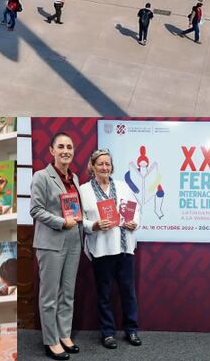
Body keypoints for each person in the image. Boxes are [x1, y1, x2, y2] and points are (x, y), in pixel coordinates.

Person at [78, 150, 142, 349]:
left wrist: (134, 222)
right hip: (102, 250)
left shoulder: (123, 187)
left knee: (128, 292)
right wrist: (94, 225)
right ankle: (107, 333)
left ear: (112, 167)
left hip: (124, 248)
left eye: (108, 164)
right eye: (100, 164)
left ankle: (131, 330)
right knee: (104, 294)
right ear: (92, 166)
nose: (105, 167)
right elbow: (79, 219)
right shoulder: (83, 190)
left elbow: (136, 208)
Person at [31, 132, 83, 360]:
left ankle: (65, 334)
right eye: (61, 146)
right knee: (50, 296)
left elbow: (77, 212)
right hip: (51, 243)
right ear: (51, 151)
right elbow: (35, 210)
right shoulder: (41, 177)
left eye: (69, 147)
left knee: (68, 293)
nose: (66, 151)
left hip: (74, 241)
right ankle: (51, 340)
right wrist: (62, 222)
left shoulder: (76, 178)